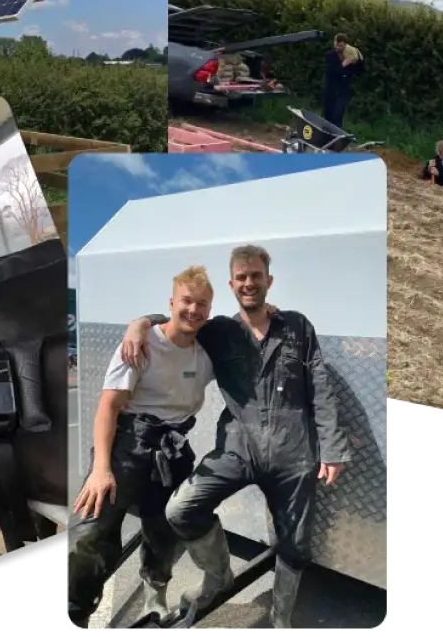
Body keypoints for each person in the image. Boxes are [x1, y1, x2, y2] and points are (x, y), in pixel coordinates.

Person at [121, 245, 351, 632]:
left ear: (268, 281)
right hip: (237, 448)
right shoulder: (219, 331)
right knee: (180, 509)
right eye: (241, 277)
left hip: (293, 452)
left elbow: (321, 389)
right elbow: (180, 322)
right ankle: (217, 576)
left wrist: (332, 448)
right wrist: (140, 323)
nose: (249, 283)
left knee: (294, 545)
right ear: (232, 284)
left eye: (256, 276)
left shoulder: (297, 326)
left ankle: (280, 619)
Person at [66, 267, 218, 632]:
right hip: (127, 446)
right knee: (90, 532)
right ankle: (75, 614)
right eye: (186, 301)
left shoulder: (209, 351)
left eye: (202, 304)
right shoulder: (141, 343)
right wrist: (101, 469)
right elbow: (108, 408)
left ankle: (155, 598)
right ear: (171, 302)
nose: (194, 310)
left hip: (173, 451)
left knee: (162, 533)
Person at [323, 33, 364, 130]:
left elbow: (360, 71)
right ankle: (325, 136)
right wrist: (343, 65)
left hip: (343, 90)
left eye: (341, 46)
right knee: (328, 114)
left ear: (345, 45)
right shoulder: (330, 55)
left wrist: (359, 60)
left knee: (338, 114)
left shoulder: (350, 56)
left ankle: (337, 137)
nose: (338, 47)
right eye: (337, 44)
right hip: (331, 89)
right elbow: (330, 72)